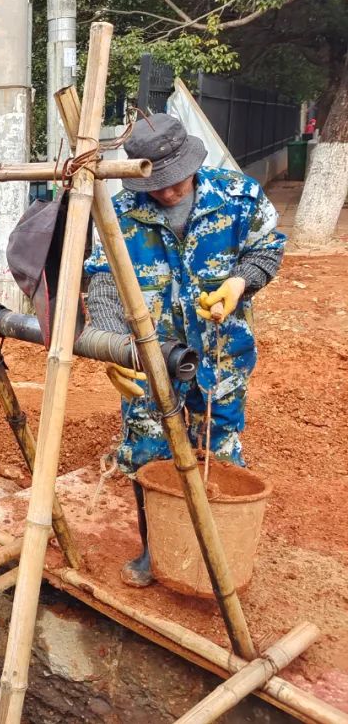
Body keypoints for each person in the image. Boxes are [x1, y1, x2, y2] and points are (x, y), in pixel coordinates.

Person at [84, 113, 285, 588]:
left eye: (177, 180)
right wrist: (113, 348)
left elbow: (267, 249)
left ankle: (215, 549)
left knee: (219, 449)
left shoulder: (238, 196)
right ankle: (157, 549)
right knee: (148, 452)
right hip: (151, 363)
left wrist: (239, 283)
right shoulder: (119, 214)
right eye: (157, 184)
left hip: (221, 356)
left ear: (192, 163)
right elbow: (105, 284)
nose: (169, 192)